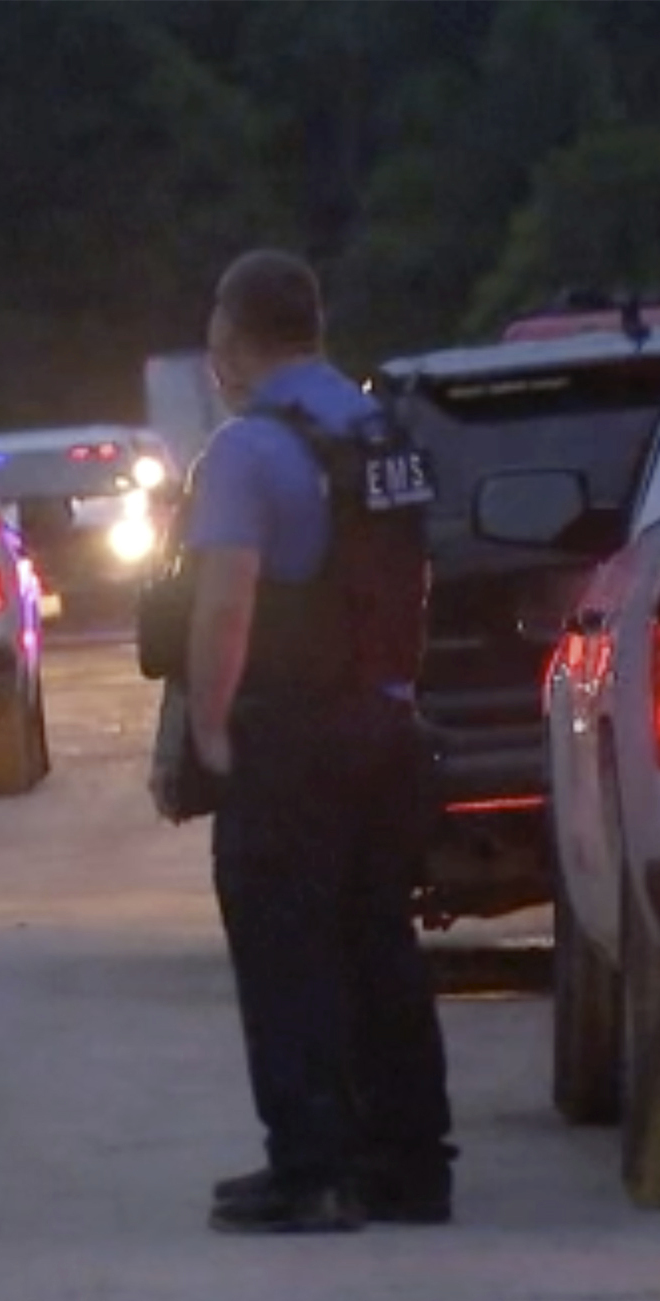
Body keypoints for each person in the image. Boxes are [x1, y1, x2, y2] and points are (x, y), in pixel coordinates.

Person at [181, 248, 456, 1235]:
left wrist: (210, 726)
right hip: (383, 722)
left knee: (283, 949)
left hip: (291, 731)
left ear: (229, 339)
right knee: (380, 943)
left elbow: (223, 606)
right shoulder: (379, 427)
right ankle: (413, 1165)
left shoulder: (248, 451)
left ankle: (311, 1169)